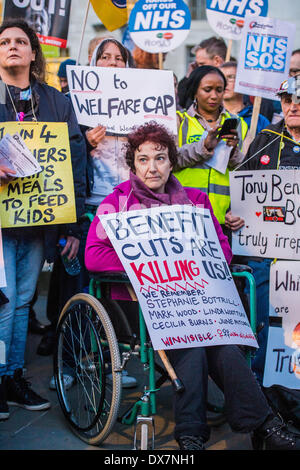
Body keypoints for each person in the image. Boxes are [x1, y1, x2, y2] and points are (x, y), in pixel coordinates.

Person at [85, 121, 300, 450]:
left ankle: (261, 426)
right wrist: (144, 265)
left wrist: (193, 261)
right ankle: (194, 433)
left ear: (172, 161)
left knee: (223, 345)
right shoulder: (116, 205)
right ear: (133, 165)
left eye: (160, 157)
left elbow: (222, 251)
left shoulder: (195, 201)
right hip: (142, 304)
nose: (152, 167)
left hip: (197, 299)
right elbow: (94, 257)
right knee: (194, 343)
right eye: (143, 159)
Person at [0, 19, 86, 421]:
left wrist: (72, 225)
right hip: (0, 225)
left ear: (34, 53)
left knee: (21, 303)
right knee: (3, 303)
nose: (13, 47)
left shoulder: (56, 102)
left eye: (21, 42)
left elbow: (75, 161)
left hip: (36, 223)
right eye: (4, 42)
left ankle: (13, 377)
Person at [39, 37, 137, 389]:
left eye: (119, 57)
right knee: (75, 290)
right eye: (105, 57)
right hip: (85, 214)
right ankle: (66, 366)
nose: (112, 62)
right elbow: (53, 160)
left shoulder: (138, 107)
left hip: (126, 211)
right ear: (92, 65)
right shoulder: (70, 107)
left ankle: (109, 363)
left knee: (115, 293)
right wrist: (81, 138)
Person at [225, 76, 300, 385]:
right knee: (269, 329)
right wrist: (234, 215)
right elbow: (242, 194)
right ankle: (266, 398)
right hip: (268, 258)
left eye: (299, 99)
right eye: (287, 99)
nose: (293, 105)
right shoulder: (267, 139)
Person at [173, 65, 248, 227]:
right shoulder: (179, 121)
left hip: (224, 219)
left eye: (219, 90)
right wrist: (203, 147)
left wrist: (233, 151)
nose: (214, 96)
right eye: (207, 90)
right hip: (185, 215)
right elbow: (170, 162)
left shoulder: (240, 125)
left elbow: (247, 170)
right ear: (195, 91)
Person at [220, 61, 270, 140]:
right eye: (221, 78)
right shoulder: (212, 116)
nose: (225, 83)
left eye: (231, 77)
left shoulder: (259, 120)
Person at [178, 37, 227, 109]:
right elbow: (183, 103)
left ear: (217, 61)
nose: (197, 68)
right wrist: (188, 77)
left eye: (201, 64)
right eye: (207, 90)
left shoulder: (235, 88)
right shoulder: (197, 83)